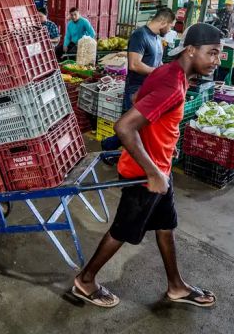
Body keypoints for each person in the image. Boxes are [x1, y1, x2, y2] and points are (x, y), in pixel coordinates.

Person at [71, 23, 222, 309]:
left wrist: (165, 140)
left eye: (219, 55)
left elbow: (137, 100)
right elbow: (125, 126)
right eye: (211, 53)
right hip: (145, 174)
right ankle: (86, 280)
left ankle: (176, 286)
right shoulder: (171, 83)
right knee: (121, 231)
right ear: (191, 50)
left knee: (166, 225)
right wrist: (153, 172)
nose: (216, 61)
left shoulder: (168, 71)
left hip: (159, 168)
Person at [101, 7, 175, 152]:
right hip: (136, 89)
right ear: (163, 22)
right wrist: (158, 73)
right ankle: (110, 148)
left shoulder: (156, 39)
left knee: (137, 127)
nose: (170, 30)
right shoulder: (139, 35)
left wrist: (166, 71)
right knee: (131, 126)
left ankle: (112, 148)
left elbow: (157, 63)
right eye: (170, 26)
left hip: (149, 89)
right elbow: (134, 64)